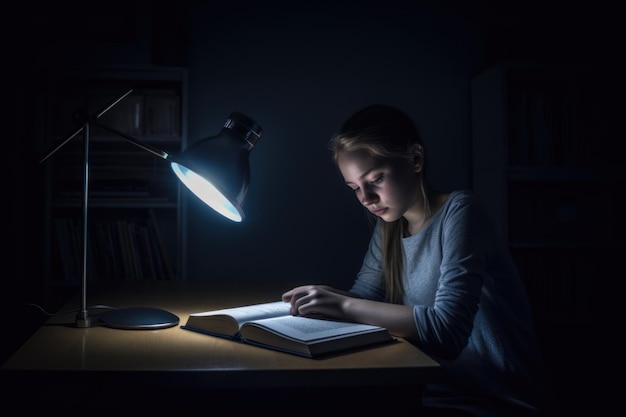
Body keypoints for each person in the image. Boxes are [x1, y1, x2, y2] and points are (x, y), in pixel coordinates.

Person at [282, 104, 553, 417]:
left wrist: (342, 305)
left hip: (495, 402)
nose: (366, 199)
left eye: (376, 179)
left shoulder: (462, 212)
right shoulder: (390, 226)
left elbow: (448, 333)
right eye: (355, 188)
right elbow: (367, 301)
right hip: (427, 390)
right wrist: (323, 299)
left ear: (415, 160)